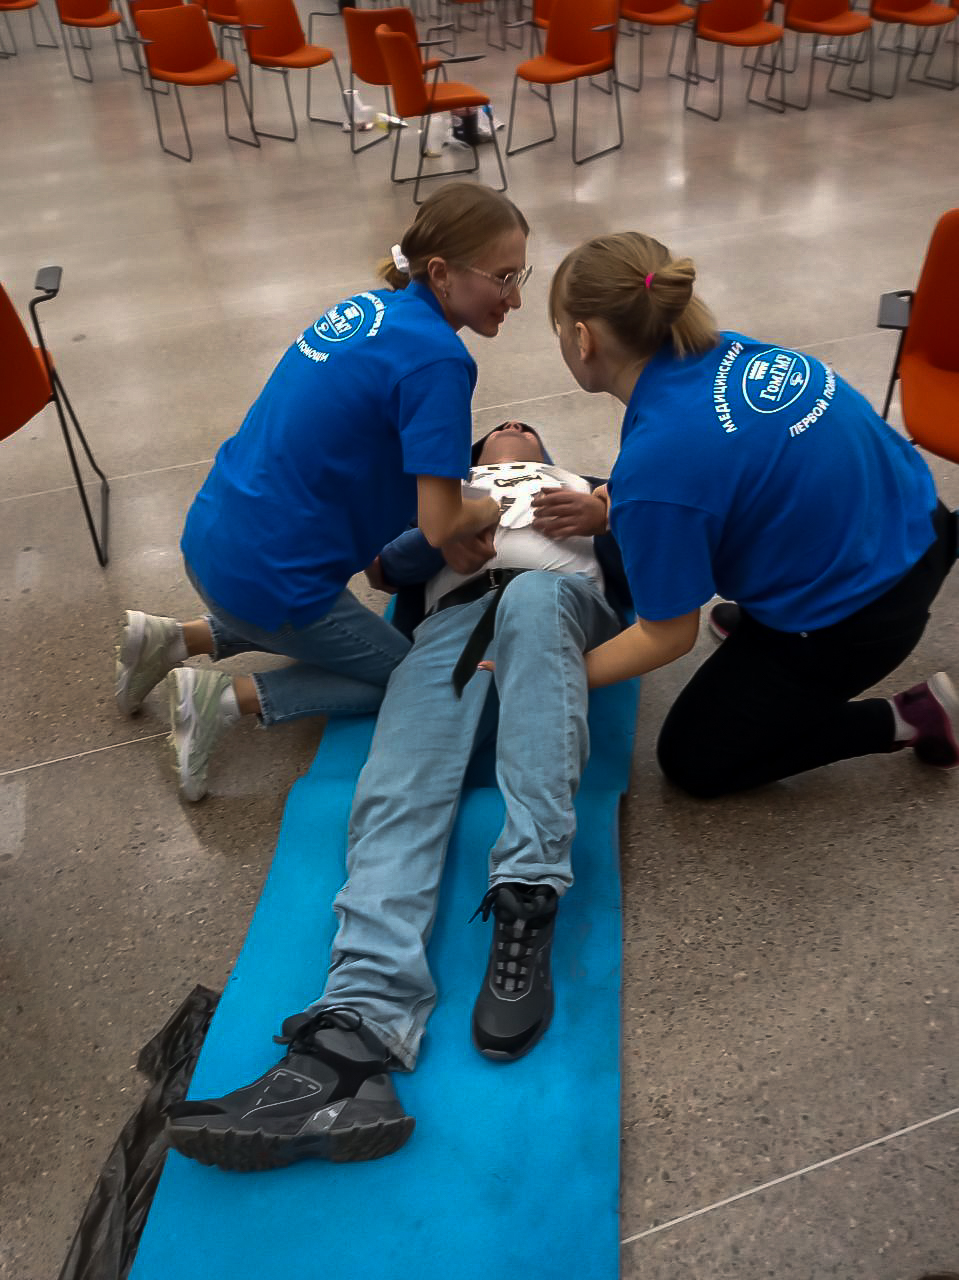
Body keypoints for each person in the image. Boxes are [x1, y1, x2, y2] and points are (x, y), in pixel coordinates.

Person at [163, 421, 632, 1171]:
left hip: (557, 604)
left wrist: (606, 516)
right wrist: (443, 531)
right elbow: (386, 570)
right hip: (453, 624)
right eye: (499, 428)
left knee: (536, 600)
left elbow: (652, 563)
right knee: (396, 787)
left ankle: (527, 893)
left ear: (549, 456)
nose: (514, 430)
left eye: (527, 430)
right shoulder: (442, 494)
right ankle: (351, 1042)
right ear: (476, 454)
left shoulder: (589, 484)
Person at [114, 183, 532, 802]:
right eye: (503, 278)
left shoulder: (368, 308)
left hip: (214, 536)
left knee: (308, 615)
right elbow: (441, 523)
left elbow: (348, 452)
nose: (515, 298)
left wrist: (443, 517)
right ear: (443, 274)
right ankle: (222, 699)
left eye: (520, 275)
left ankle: (171, 638)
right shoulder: (440, 362)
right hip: (271, 579)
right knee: (410, 678)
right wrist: (488, 504)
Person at [547, 231, 959, 798]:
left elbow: (667, 636)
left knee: (692, 760)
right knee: (710, 519)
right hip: (921, 518)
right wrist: (609, 505)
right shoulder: (732, 351)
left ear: (582, 338)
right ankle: (768, 632)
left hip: (865, 612)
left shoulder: (655, 469)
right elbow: (722, 462)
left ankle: (908, 718)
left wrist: (563, 675)